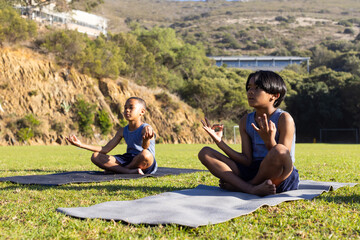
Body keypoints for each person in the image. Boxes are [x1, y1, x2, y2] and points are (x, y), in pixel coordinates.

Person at [198, 70, 299, 196]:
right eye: (249, 88)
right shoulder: (245, 120)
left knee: (279, 149)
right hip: (253, 171)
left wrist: (269, 141)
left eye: (257, 88)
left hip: (279, 176)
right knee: (205, 152)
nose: (250, 92)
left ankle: (244, 186)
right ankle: (251, 188)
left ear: (274, 95)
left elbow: (283, 158)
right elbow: (247, 160)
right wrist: (219, 142)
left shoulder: (284, 119)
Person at [66, 97, 157, 175]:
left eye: (131, 108)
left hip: (145, 161)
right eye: (125, 108)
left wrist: (146, 140)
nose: (127, 110)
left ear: (142, 111)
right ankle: (128, 171)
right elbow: (105, 149)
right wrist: (81, 145)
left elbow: (145, 147)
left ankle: (120, 170)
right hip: (128, 158)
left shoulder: (146, 128)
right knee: (96, 156)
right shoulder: (122, 130)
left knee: (145, 154)